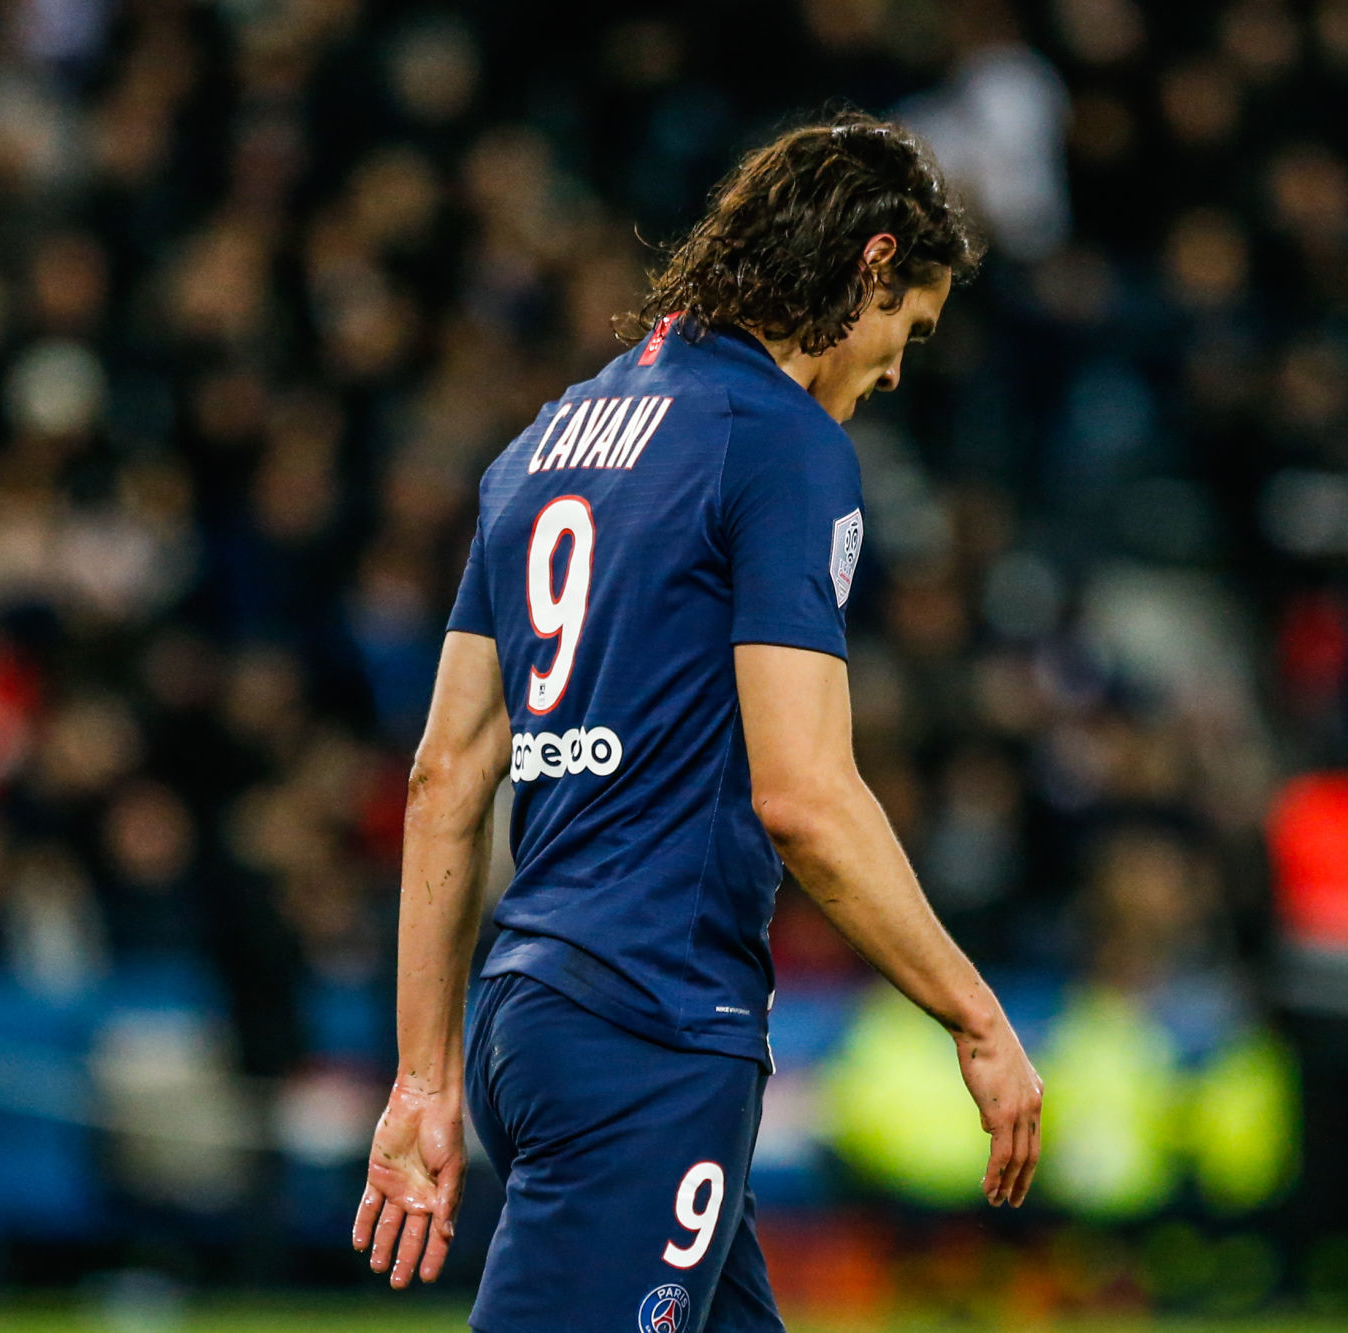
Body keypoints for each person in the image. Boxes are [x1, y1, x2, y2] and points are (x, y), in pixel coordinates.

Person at [351, 112, 1043, 1333]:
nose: (892, 375)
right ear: (871, 264)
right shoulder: (780, 445)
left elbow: (444, 775)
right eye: (905, 333)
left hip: (534, 1010)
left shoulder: (543, 446)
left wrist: (425, 1074)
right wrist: (975, 1019)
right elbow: (805, 796)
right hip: (652, 1024)